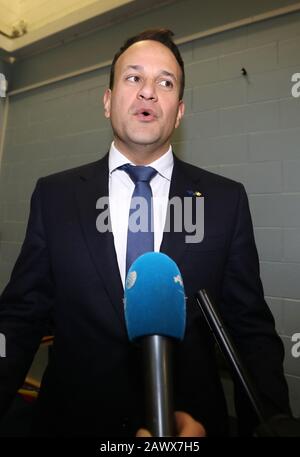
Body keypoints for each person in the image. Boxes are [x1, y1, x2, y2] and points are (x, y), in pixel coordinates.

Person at [0, 28, 291, 437]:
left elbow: (252, 334)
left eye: (165, 82)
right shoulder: (54, 196)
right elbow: (19, 319)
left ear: (179, 111)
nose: (149, 92)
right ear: (107, 101)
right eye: (133, 77)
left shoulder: (225, 202)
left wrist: (271, 426)